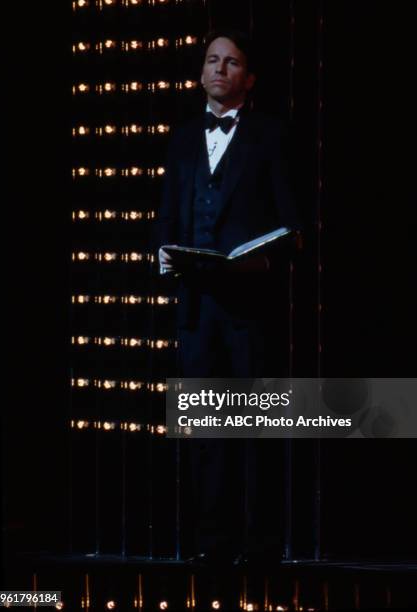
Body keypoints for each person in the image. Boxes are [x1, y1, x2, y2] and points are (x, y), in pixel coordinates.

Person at [155, 29, 300, 564]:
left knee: (253, 434)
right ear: (200, 72)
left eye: (231, 62)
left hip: (249, 313)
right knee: (204, 436)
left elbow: (292, 224)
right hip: (196, 311)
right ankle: (210, 548)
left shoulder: (269, 136)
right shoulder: (182, 136)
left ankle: (260, 548)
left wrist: (265, 259)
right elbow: (168, 212)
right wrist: (163, 254)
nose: (219, 69)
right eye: (212, 60)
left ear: (249, 77)